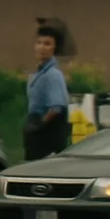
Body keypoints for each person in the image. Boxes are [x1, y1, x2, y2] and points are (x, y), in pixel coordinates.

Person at [23, 22, 70, 161]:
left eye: (47, 44)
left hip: (47, 133)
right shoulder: (38, 73)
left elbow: (56, 108)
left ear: (54, 48)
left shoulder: (52, 75)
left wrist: (40, 124)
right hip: (35, 128)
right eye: (39, 43)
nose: (42, 48)